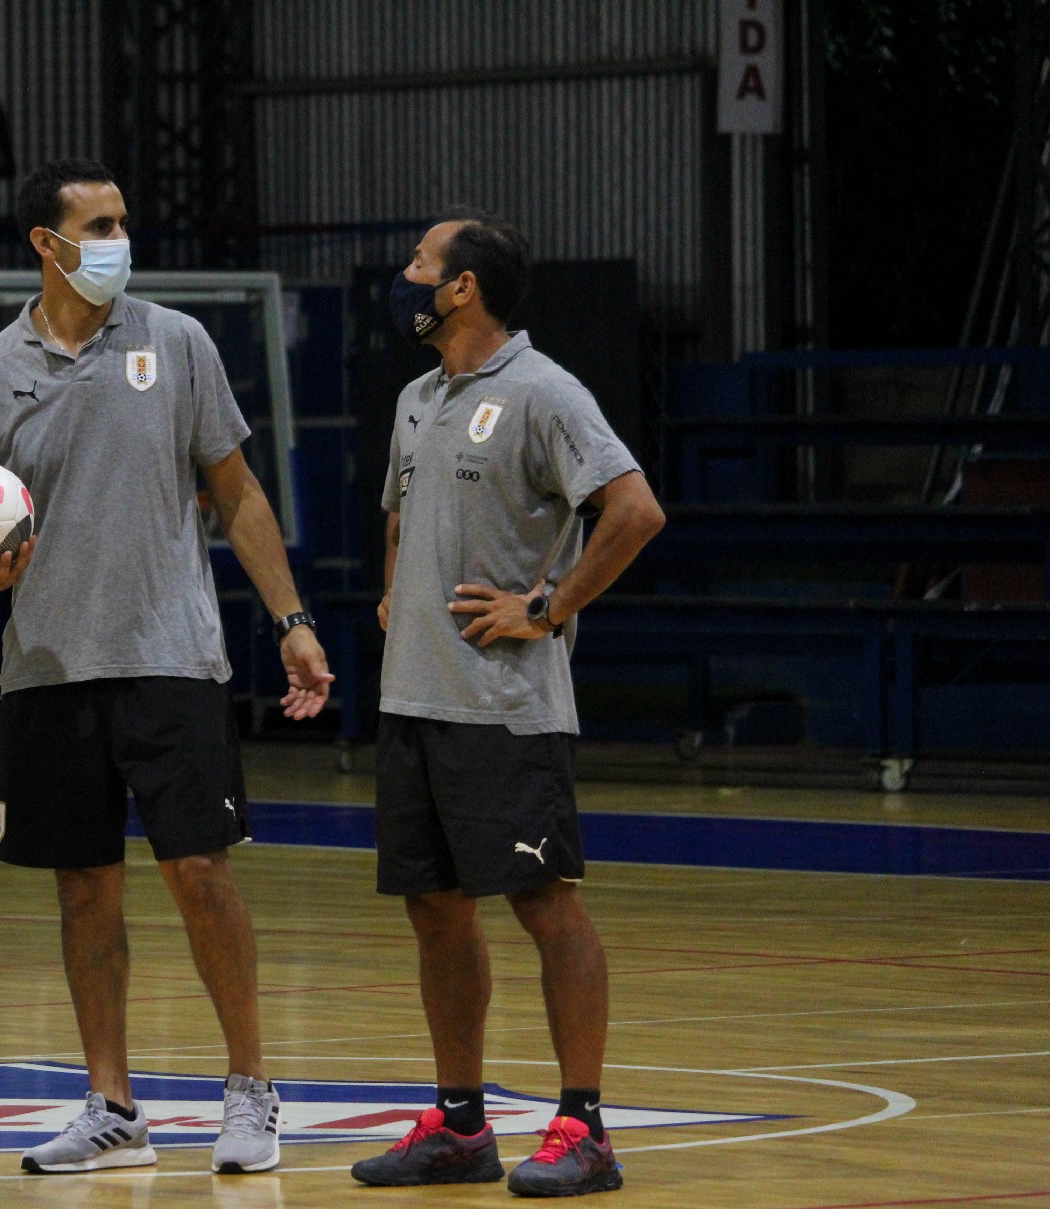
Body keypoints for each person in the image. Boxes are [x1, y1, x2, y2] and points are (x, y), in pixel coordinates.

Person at [0, 158, 333, 1176]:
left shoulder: (177, 343)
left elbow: (237, 492)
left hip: (169, 654)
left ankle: (249, 1090)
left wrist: (289, 616)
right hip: (46, 666)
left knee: (199, 870)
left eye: (122, 220)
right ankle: (111, 1105)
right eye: (98, 224)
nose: (118, 238)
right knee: (83, 886)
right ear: (46, 243)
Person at [348, 208, 664, 1197]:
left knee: (542, 904)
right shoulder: (414, 397)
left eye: (417, 265)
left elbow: (633, 509)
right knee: (434, 912)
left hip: (506, 708)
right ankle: (458, 1125)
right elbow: (400, 511)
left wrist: (545, 605)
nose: (402, 278)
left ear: (460, 289)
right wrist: (398, 586)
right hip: (415, 700)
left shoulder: (541, 391)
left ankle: (584, 1127)